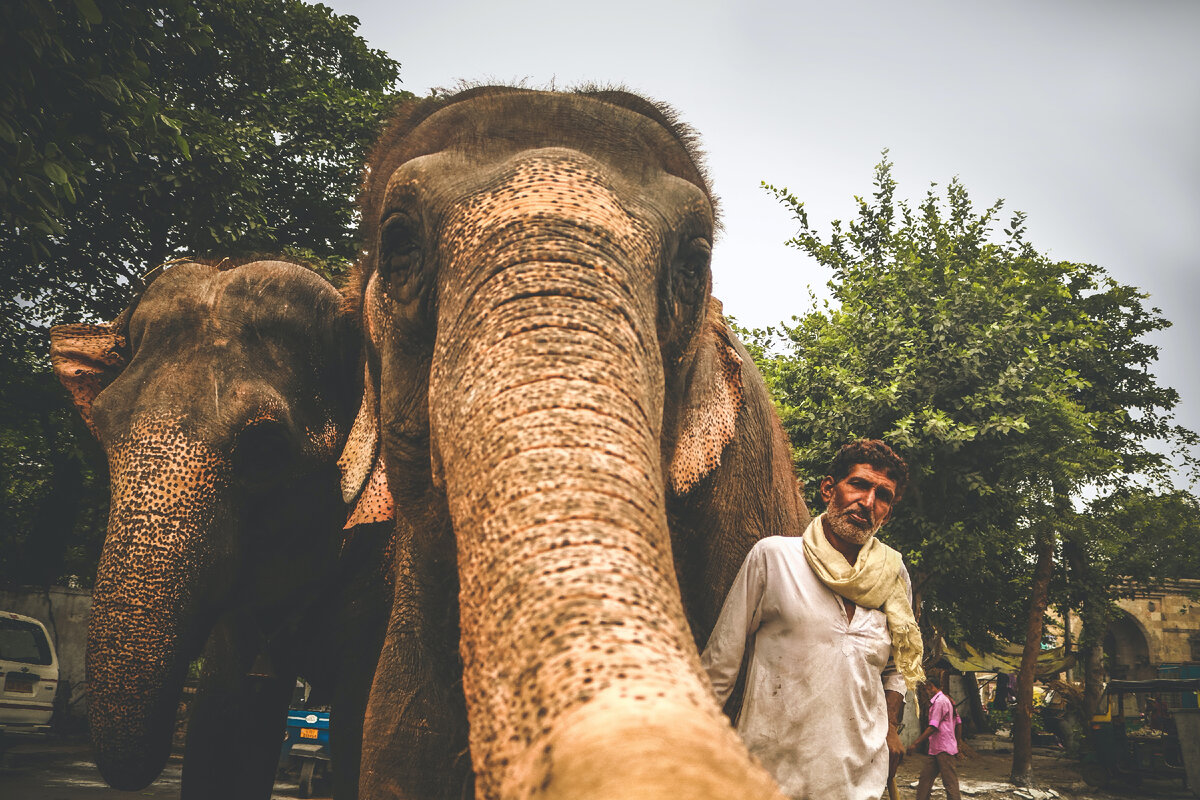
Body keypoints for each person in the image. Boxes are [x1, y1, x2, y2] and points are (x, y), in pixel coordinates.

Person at [701, 439, 924, 800]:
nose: (867, 503)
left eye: (883, 495)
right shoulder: (774, 558)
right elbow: (720, 665)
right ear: (827, 489)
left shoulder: (892, 575)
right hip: (769, 777)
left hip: (861, 781)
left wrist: (892, 729)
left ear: (888, 512)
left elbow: (897, 665)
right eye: (859, 484)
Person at [907, 669, 962, 800]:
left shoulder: (940, 702)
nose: (926, 692)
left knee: (950, 782)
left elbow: (933, 727)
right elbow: (959, 723)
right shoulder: (948, 701)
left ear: (931, 686)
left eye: (926, 689)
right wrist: (957, 744)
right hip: (937, 748)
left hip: (943, 748)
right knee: (925, 779)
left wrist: (915, 743)